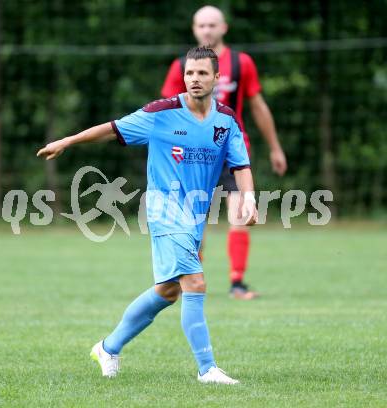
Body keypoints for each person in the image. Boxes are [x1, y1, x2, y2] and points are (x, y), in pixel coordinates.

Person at [37, 47, 257, 385]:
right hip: (165, 210)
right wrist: (68, 141)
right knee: (195, 282)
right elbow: (112, 129)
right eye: (189, 73)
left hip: (196, 215)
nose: (194, 79)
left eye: (202, 73)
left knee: (169, 291)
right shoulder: (162, 113)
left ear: (216, 78)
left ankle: (108, 347)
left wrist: (249, 198)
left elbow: (240, 164)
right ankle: (207, 369)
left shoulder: (226, 119)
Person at [162, 6, 287, 300]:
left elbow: (257, 106)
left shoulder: (241, 62)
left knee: (240, 213)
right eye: (201, 25)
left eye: (212, 25)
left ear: (224, 28)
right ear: (194, 29)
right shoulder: (181, 65)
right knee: (194, 220)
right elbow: (166, 108)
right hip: (192, 151)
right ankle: (192, 281)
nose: (207, 30)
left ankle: (237, 284)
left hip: (231, 148)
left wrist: (275, 147)